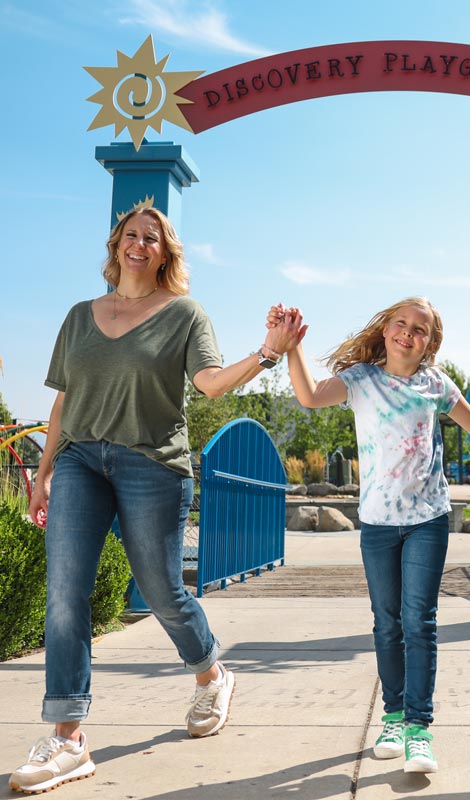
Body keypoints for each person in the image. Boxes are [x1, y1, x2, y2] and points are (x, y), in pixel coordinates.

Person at [10, 206, 287, 795]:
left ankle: (211, 672)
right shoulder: (79, 316)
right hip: (82, 459)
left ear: (165, 254)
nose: (139, 244)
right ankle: (67, 737)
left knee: (162, 589)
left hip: (152, 463)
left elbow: (209, 384)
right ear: (116, 245)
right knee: (65, 590)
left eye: (151, 238)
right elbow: (63, 401)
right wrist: (43, 473)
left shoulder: (184, 314)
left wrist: (266, 353)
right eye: (131, 235)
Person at [267, 297, 470, 774]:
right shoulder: (362, 380)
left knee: (418, 621)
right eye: (400, 324)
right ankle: (394, 716)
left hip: (428, 519)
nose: (408, 333)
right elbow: (309, 396)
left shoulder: (436, 384)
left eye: (420, 329)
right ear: (385, 331)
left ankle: (419, 731)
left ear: (430, 342)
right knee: (387, 623)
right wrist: (292, 347)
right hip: (378, 524)